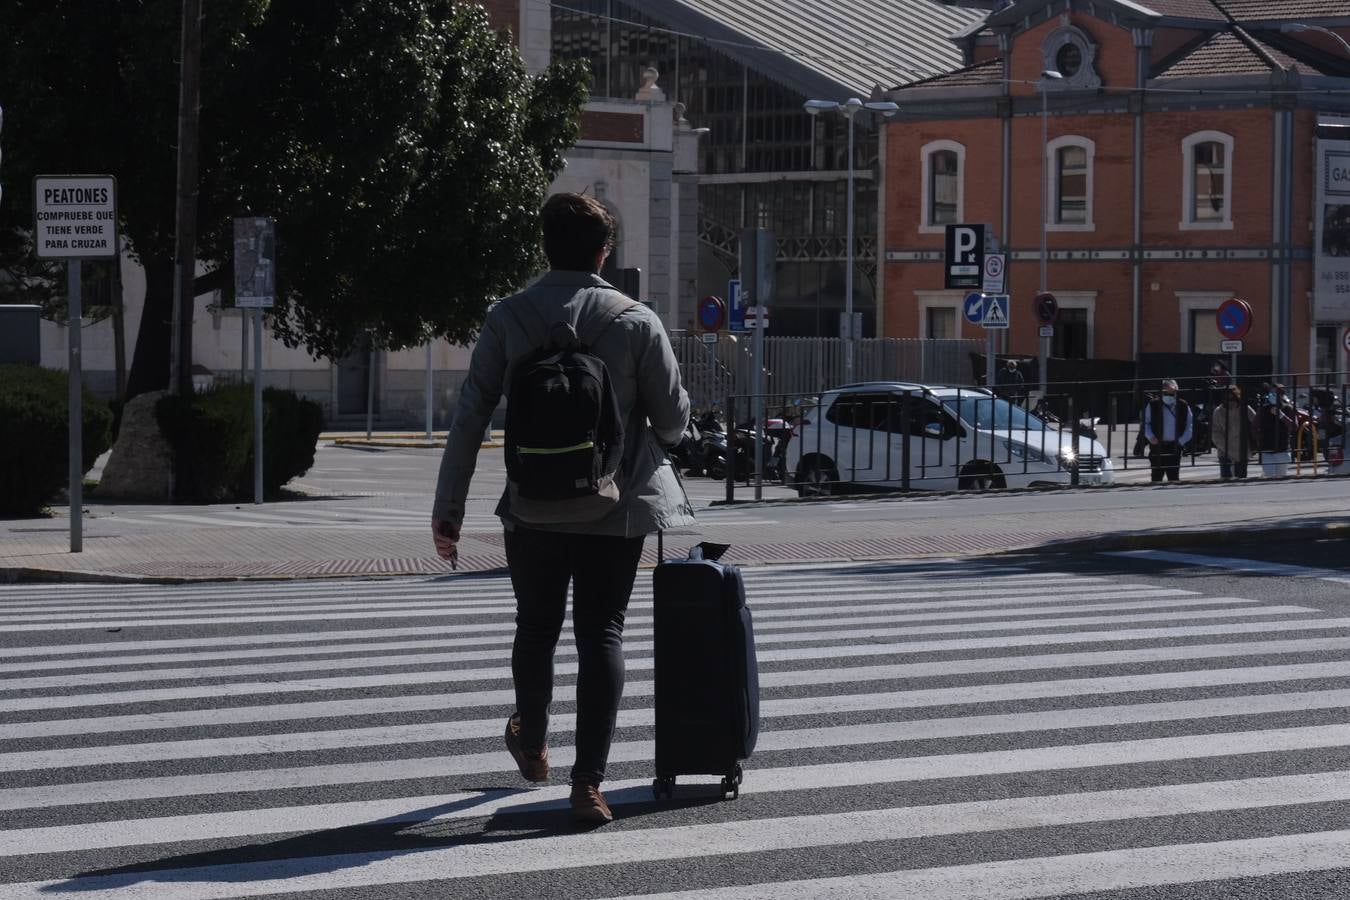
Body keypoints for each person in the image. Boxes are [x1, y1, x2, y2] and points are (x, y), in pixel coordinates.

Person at [430, 192, 694, 825]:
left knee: (536, 625)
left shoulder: (508, 317)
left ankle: (533, 738)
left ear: (544, 246)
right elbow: (674, 422)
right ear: (605, 252)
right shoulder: (636, 320)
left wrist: (450, 509)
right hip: (618, 507)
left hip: (532, 507)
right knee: (602, 631)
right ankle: (588, 784)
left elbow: (470, 415)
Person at [1142, 378, 1192, 482]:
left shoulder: (1183, 405)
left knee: (1173, 477)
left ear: (1176, 392)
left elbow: (1189, 426)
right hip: (1157, 446)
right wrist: (1150, 436)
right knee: (1156, 477)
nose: (1168, 396)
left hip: (1175, 446)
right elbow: (1146, 423)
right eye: (1165, 393)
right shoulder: (1153, 404)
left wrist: (1181, 441)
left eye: (1171, 393)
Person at [1209, 385, 1251, 480]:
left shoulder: (1245, 408)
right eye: (1226, 397)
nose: (1229, 400)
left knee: (1241, 479)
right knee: (1225, 479)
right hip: (1224, 450)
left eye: (1232, 397)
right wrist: (1226, 448)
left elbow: (1255, 422)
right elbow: (1215, 433)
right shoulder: (1218, 411)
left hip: (1242, 450)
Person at [1252, 382, 1294, 477]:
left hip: (1283, 449)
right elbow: (1255, 426)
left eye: (1277, 392)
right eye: (1272, 391)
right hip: (1267, 449)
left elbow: (1294, 426)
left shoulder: (1288, 409)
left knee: (1281, 477)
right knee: (1269, 475)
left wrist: (1281, 416)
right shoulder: (1263, 409)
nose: (1273, 394)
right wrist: (1259, 441)